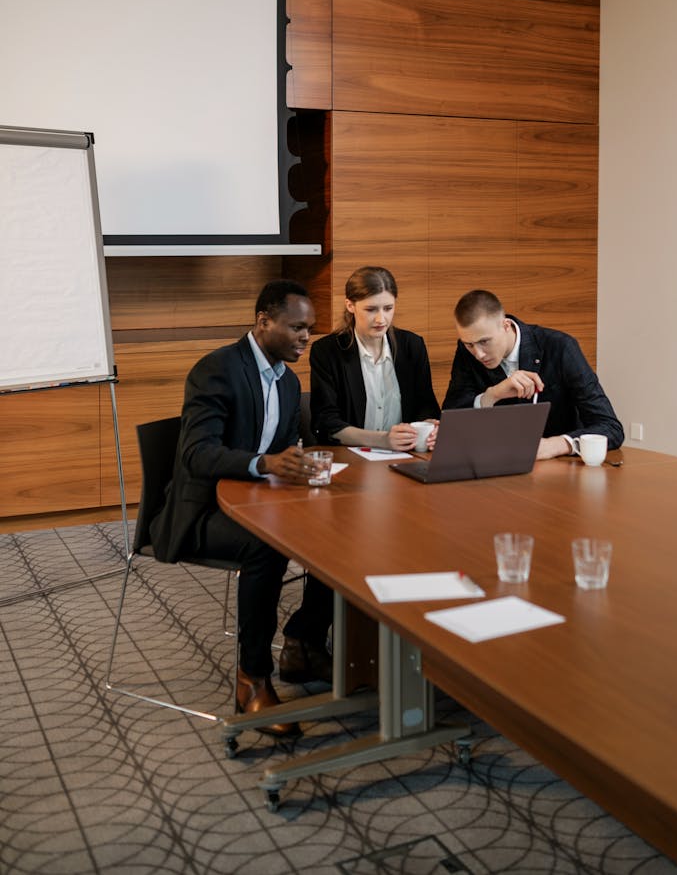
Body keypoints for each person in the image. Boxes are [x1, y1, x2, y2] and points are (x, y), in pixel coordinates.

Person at [149, 280, 332, 737]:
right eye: (295, 327)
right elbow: (197, 453)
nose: (305, 337)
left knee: (335, 530)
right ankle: (252, 678)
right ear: (263, 321)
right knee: (264, 548)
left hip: (257, 500)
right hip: (200, 512)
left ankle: (305, 643)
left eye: (309, 328)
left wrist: (296, 464)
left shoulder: (289, 383)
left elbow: (286, 445)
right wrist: (265, 463)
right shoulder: (218, 370)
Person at [443, 289, 623, 459]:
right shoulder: (467, 352)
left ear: (505, 326)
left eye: (485, 342)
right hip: (495, 468)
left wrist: (556, 445)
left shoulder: (560, 347)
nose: (479, 354)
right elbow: (450, 421)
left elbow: (610, 427)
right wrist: (492, 395)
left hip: (561, 472)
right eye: (469, 344)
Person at [310, 266, 440, 450]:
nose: (381, 319)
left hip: (405, 457)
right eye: (371, 309)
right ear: (350, 306)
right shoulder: (326, 351)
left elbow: (426, 405)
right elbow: (326, 423)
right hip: (350, 458)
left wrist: (429, 428)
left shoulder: (412, 346)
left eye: (388, 308)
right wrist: (383, 440)